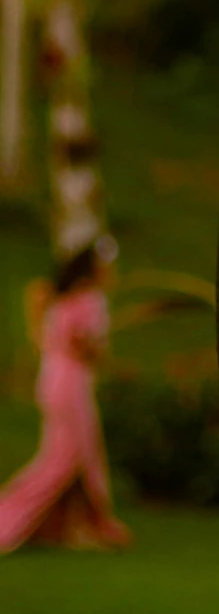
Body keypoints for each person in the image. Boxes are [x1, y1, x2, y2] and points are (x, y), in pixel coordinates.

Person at [0, 232, 132, 553]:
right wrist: (104, 352)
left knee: (79, 458)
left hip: (53, 382)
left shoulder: (63, 299)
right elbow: (85, 345)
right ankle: (7, 522)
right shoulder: (89, 300)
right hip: (71, 385)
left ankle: (78, 530)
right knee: (62, 460)